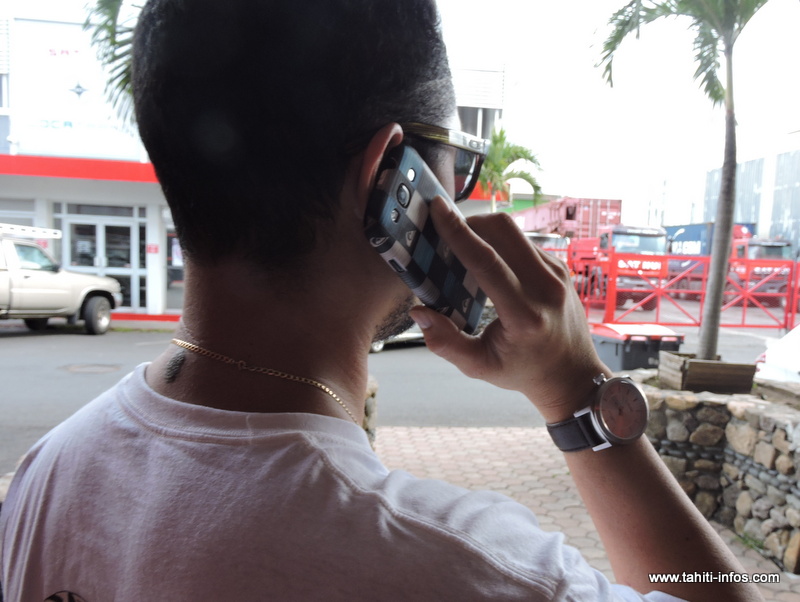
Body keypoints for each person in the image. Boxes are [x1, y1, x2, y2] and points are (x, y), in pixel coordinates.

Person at [0, 0, 762, 600]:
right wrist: (577, 394)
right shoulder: (466, 567)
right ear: (387, 178)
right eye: (456, 166)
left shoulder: (51, 472)